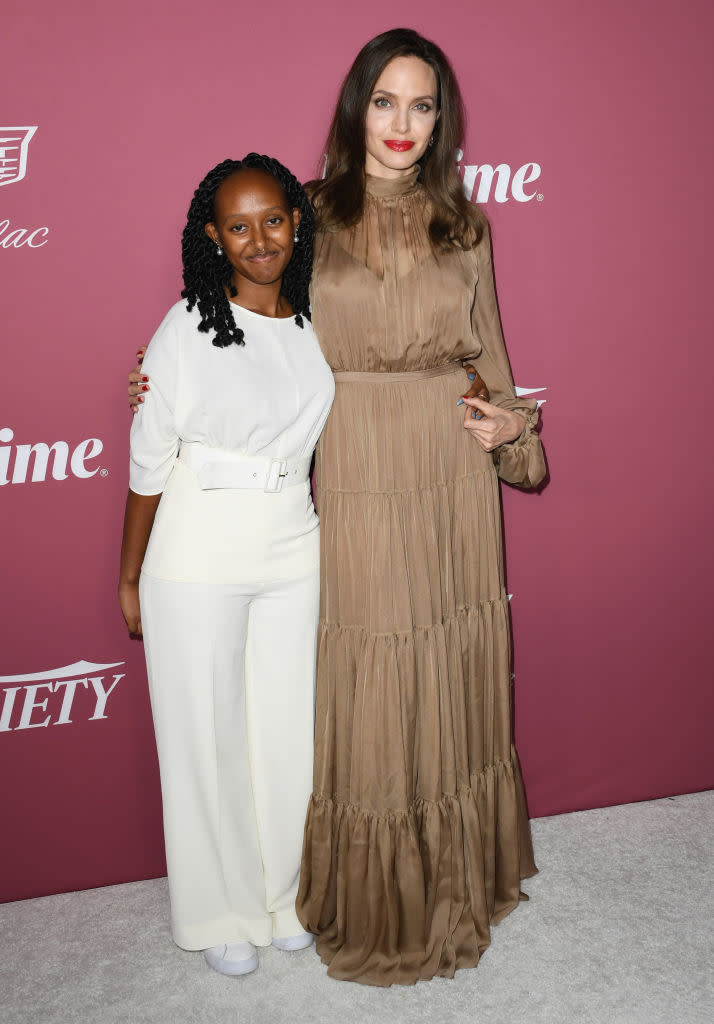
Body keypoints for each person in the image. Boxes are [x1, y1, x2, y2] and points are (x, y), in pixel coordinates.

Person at [130, 28, 546, 987]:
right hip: (354, 465)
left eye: (424, 104)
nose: (403, 124)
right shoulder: (308, 215)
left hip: (448, 469)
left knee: (444, 660)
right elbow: (236, 313)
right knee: (365, 670)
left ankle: (454, 879)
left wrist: (510, 433)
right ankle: (364, 895)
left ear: (442, 121)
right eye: (386, 101)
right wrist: (158, 376)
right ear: (358, 108)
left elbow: (491, 350)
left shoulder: (466, 224)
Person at [119, 154, 335, 977]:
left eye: (273, 219)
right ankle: (216, 915)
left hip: (292, 538)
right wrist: (130, 575)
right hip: (197, 544)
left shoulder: (315, 321)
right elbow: (148, 463)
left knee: (285, 733)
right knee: (203, 735)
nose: (259, 239)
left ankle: (281, 898)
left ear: (296, 221)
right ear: (212, 236)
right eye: (238, 226)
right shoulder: (185, 326)